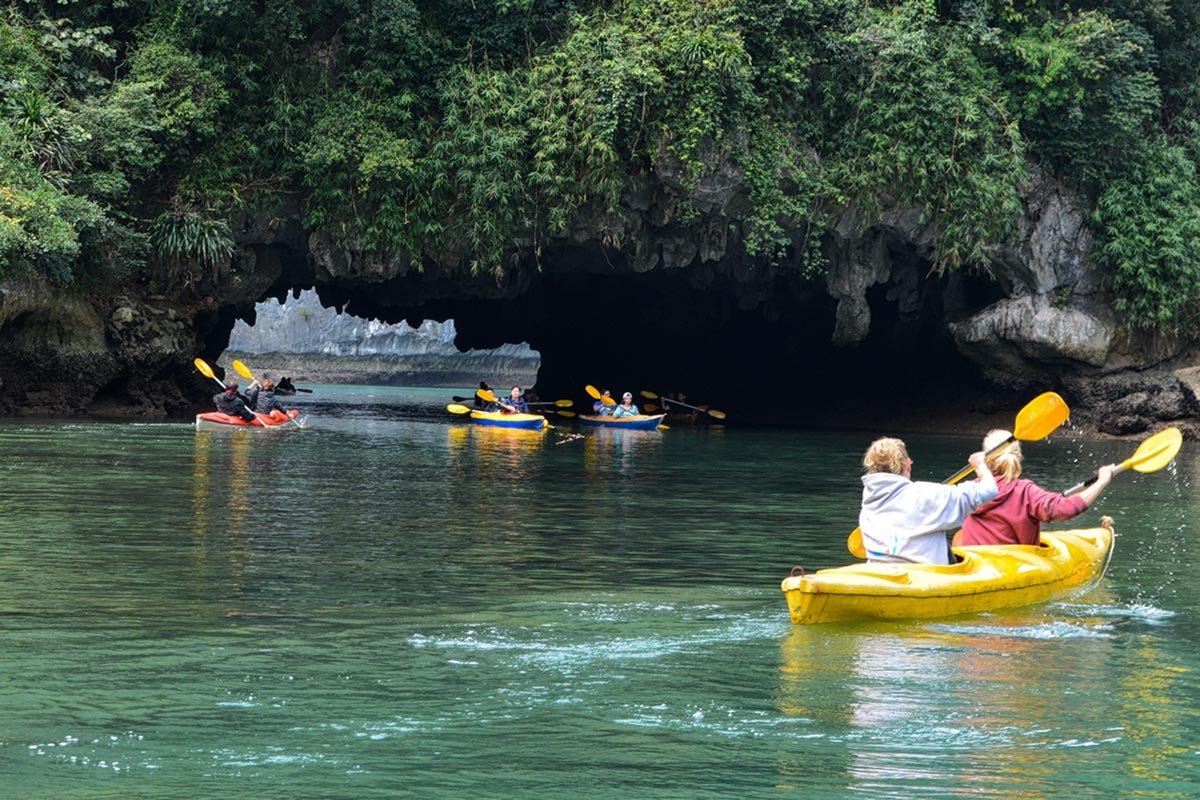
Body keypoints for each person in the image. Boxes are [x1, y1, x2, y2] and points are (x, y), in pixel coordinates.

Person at [958, 429, 1117, 546]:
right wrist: (1102, 481)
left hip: (972, 567)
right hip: (1012, 568)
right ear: (1018, 456)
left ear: (984, 459)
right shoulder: (1025, 492)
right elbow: (1066, 508)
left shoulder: (968, 491)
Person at [859, 437, 998, 565]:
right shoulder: (926, 495)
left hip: (879, 574)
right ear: (907, 465)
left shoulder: (869, 503)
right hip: (922, 577)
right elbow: (989, 489)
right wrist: (980, 466)